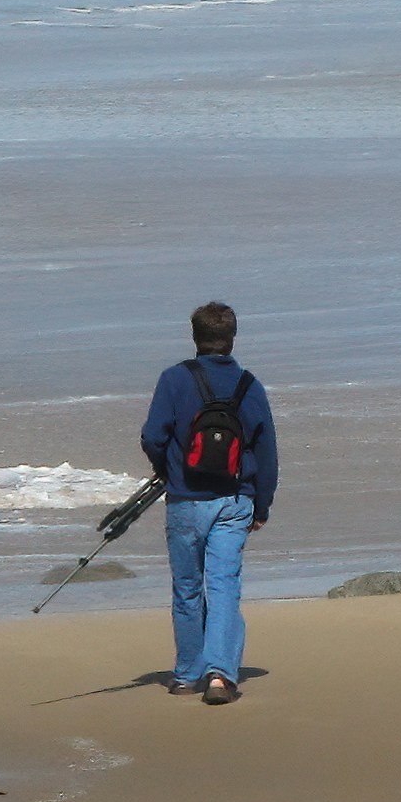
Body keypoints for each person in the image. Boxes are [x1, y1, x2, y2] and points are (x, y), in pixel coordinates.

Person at [139, 301, 275, 704]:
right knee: (224, 586)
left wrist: (168, 469)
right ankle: (221, 676)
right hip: (235, 500)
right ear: (232, 337)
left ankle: (185, 674)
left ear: (194, 337)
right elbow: (266, 452)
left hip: (185, 500)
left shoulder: (174, 379)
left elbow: (152, 436)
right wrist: (262, 505)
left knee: (186, 588)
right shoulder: (250, 385)